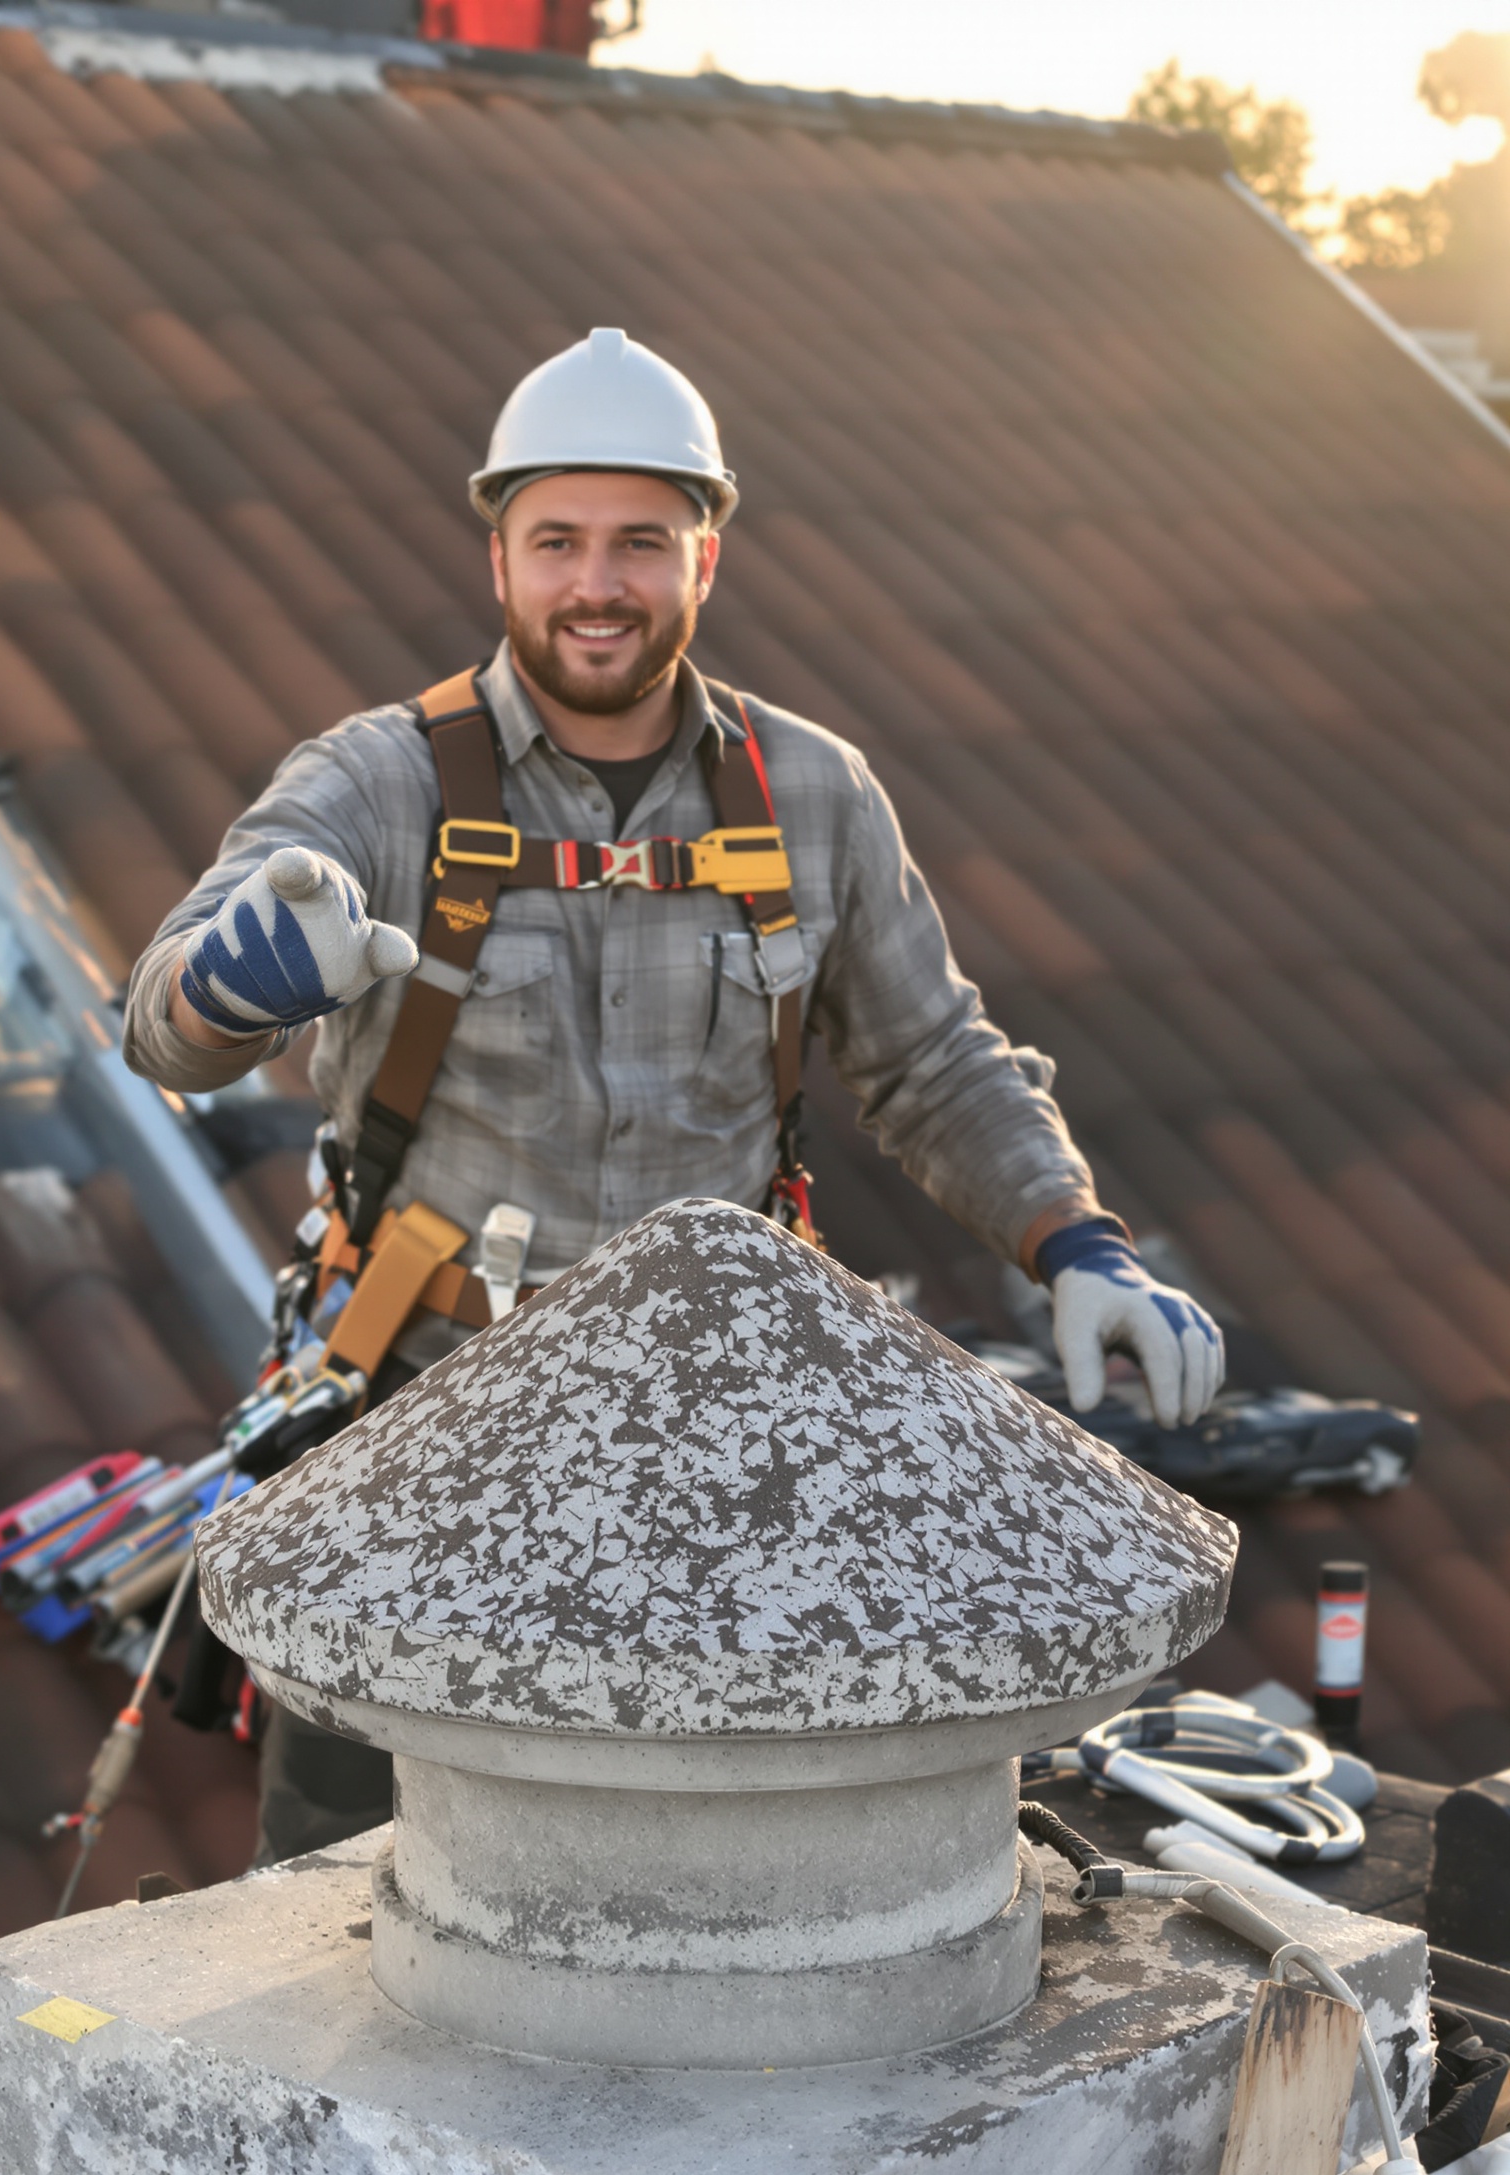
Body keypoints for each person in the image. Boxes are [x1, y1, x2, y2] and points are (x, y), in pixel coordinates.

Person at [124, 327, 1225, 1861]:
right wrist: (228, 983)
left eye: (641, 541)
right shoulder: (379, 788)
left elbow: (931, 1060)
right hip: (432, 1422)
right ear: (498, 552)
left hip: (725, 1447)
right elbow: (163, 1026)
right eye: (557, 539)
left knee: (710, 1860)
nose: (598, 583)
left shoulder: (810, 797)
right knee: (354, 1879)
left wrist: (1075, 1242)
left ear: (706, 554)